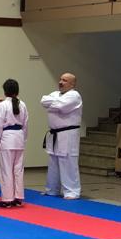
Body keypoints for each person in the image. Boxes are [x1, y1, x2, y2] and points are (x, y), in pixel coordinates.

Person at [41, 72, 83, 200]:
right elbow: (43, 100)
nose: (60, 82)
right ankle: (52, 189)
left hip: (68, 133)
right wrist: (56, 104)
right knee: (53, 162)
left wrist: (54, 105)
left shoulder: (75, 95)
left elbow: (62, 106)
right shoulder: (55, 94)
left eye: (65, 80)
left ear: (72, 84)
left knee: (68, 162)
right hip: (55, 133)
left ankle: (72, 191)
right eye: (60, 79)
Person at [0, 78, 29, 208]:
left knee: (6, 170)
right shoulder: (23, 104)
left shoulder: (3, 105)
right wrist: (23, 139)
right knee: (18, 170)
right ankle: (18, 198)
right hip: (19, 137)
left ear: (5, 91)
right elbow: (25, 124)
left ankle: (7, 199)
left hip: (7, 138)